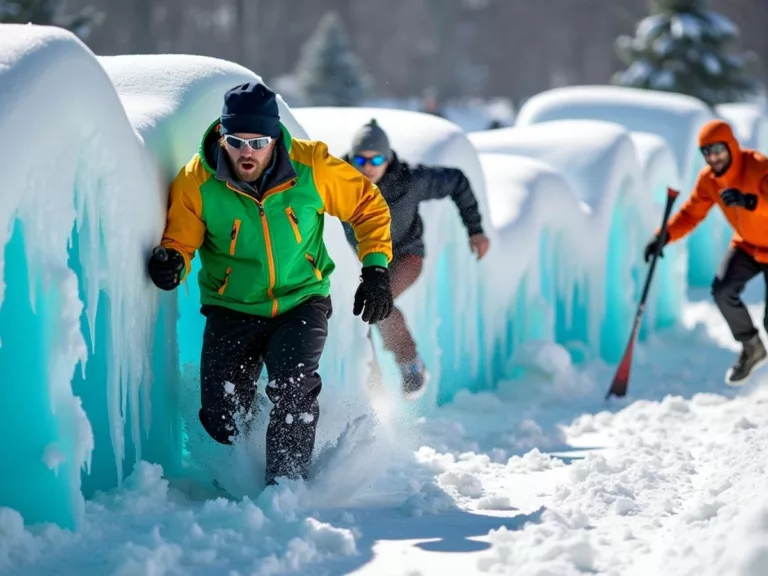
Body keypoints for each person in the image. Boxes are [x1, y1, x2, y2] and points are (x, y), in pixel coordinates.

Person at [146, 82, 394, 486]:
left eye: (258, 141)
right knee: (222, 409)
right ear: (222, 136)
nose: (247, 152)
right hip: (232, 306)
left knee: (293, 387)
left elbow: (368, 205)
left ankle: (286, 486)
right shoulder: (198, 180)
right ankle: (231, 486)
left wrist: (376, 270)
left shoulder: (312, 167)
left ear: (275, 137)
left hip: (301, 299)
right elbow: (180, 238)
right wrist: (173, 261)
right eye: (236, 141)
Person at [343, 119, 490, 398]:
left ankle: (410, 363)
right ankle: (369, 383)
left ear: (388, 158)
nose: (369, 166)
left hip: (406, 255)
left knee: (378, 302)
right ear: (351, 158)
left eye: (377, 159)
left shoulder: (409, 180)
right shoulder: (339, 180)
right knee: (354, 316)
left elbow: (457, 181)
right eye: (361, 159)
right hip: (362, 262)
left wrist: (476, 230)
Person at [643, 119, 768, 385]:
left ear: (731, 146)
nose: (714, 157)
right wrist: (663, 236)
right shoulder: (710, 180)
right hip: (747, 244)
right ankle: (752, 346)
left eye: (719, 150)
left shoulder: (758, 166)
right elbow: (691, 213)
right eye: (707, 152)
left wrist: (750, 201)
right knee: (722, 290)